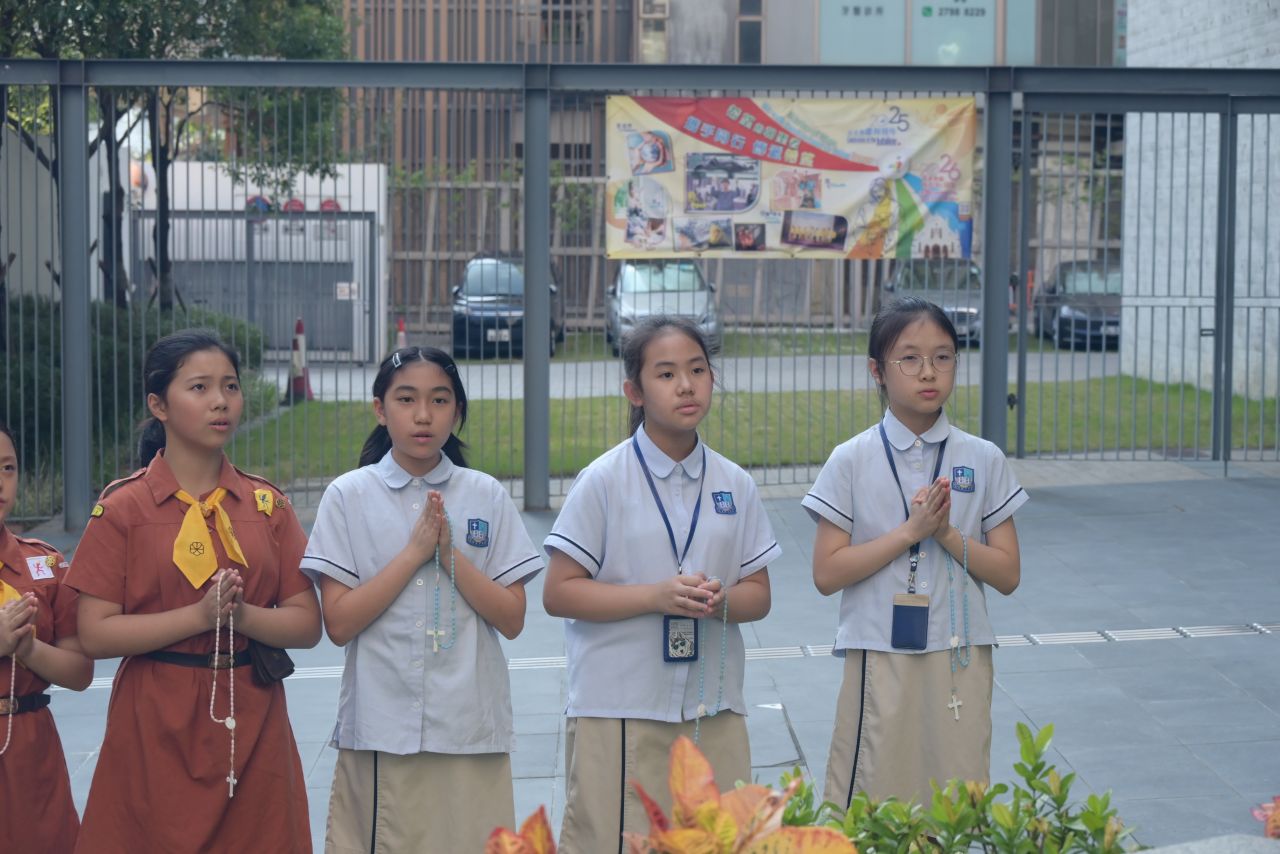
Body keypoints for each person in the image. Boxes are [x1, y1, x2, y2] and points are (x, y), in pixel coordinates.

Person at [66, 330, 321, 853]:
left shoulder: (266, 505)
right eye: (200, 387)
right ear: (158, 404)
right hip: (155, 715)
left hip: (252, 714)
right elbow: (93, 633)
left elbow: (306, 622)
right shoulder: (123, 509)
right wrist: (199, 617)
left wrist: (242, 617)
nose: (220, 401)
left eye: (230, 386)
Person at [543, 316, 779, 852]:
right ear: (635, 391)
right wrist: (655, 596)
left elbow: (759, 594)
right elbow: (559, 592)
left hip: (711, 707)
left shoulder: (734, 483)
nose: (686, 386)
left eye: (698, 370)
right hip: (620, 707)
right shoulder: (603, 480)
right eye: (667, 374)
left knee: (720, 841)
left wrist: (719, 600)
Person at [302, 345, 542, 854]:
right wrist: (415, 554)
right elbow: (338, 624)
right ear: (380, 409)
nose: (423, 415)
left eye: (439, 400)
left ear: (457, 412)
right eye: (406, 399)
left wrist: (450, 556)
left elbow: (513, 618)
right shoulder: (348, 496)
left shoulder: (486, 494)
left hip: (469, 724)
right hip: (381, 725)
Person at [805, 296, 1027, 807]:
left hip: (960, 650)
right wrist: (911, 531)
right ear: (877, 371)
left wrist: (946, 535)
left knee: (957, 792)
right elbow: (827, 573)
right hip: (879, 648)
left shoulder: (983, 458)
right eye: (909, 358)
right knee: (875, 792)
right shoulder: (851, 460)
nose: (928, 372)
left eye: (942, 357)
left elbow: (1008, 573)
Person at [0, 421, 94, 854]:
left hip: (30, 744)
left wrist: (27, 648)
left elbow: (79, 672)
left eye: (7, 468)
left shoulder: (46, 564)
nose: (1, 482)